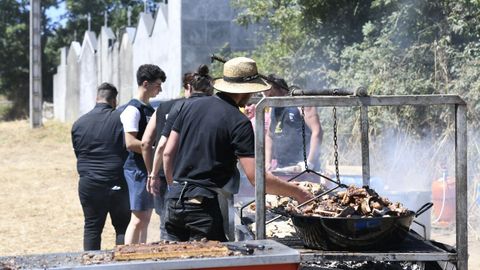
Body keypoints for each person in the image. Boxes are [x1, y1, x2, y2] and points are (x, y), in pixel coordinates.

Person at [162, 57, 313, 241]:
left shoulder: (188, 106)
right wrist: (298, 193)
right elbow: (257, 178)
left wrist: (174, 188)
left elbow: (168, 152)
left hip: (173, 203)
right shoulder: (238, 121)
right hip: (202, 209)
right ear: (245, 91)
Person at [141, 64, 213, 239]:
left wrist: (152, 174)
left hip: (165, 176)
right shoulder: (204, 108)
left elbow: (146, 142)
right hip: (193, 177)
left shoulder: (164, 107)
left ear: (186, 86)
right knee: (196, 228)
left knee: (167, 225)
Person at [71, 82, 130, 250]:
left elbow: (79, 153)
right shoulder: (120, 119)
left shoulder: (79, 123)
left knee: (92, 227)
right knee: (122, 227)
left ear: (97, 98)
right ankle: (124, 264)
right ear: (114, 100)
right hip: (116, 180)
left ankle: (90, 264)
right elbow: (127, 148)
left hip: (89, 182)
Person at [120, 64, 166, 244]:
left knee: (145, 219)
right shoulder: (133, 109)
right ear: (145, 84)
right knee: (138, 219)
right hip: (137, 170)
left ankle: (142, 253)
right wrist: (154, 151)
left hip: (145, 168)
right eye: (157, 85)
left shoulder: (148, 108)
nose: (160, 89)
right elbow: (130, 143)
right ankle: (129, 256)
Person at [264, 74, 323, 171]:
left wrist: (310, 163)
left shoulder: (301, 103)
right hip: (282, 168)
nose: (270, 99)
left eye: (271, 95)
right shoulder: (273, 108)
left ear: (282, 90)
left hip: (303, 167)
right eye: (267, 96)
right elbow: (269, 135)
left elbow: (317, 131)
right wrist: (267, 162)